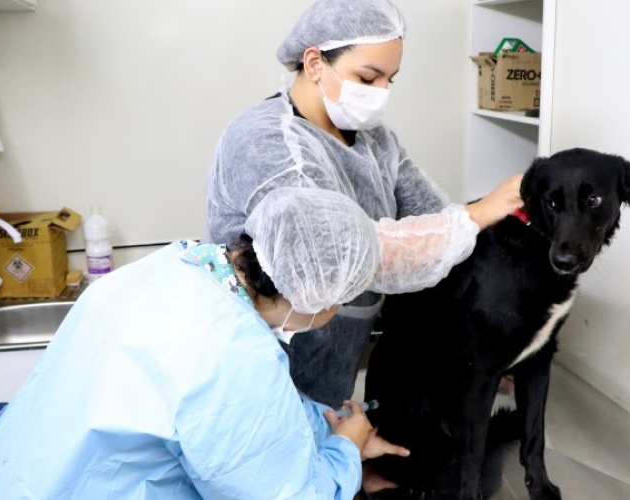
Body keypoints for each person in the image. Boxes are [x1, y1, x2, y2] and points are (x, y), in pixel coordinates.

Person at [0, 188, 410, 500]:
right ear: (317, 294)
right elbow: (286, 493)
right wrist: (345, 454)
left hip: (7, 478)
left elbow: (248, 416)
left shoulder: (175, 266)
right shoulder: (236, 356)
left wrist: (330, 429)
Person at [206, 0, 523, 407]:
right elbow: (330, 257)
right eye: (368, 77)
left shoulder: (376, 141)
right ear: (315, 63)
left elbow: (432, 220)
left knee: (333, 429)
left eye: (390, 80)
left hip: (338, 358)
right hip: (266, 361)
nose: (381, 93)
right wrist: (476, 213)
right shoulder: (267, 142)